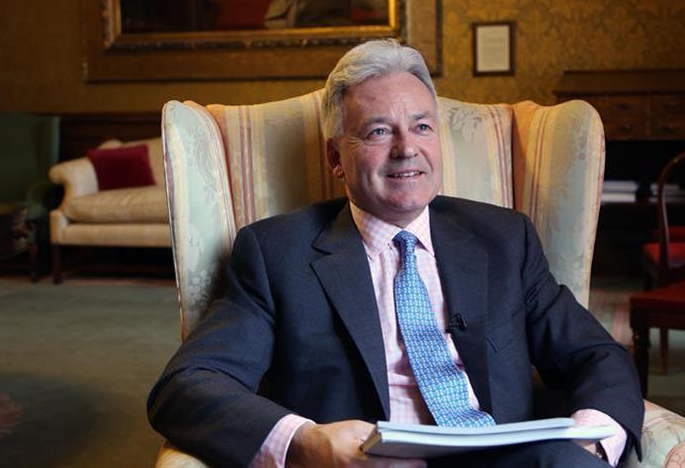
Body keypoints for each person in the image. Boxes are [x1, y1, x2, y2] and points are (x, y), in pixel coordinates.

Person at [148, 39, 643, 468]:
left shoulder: (504, 239)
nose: (407, 149)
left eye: (422, 127)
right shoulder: (277, 254)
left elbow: (597, 355)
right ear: (336, 158)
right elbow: (188, 385)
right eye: (379, 131)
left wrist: (590, 442)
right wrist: (305, 442)